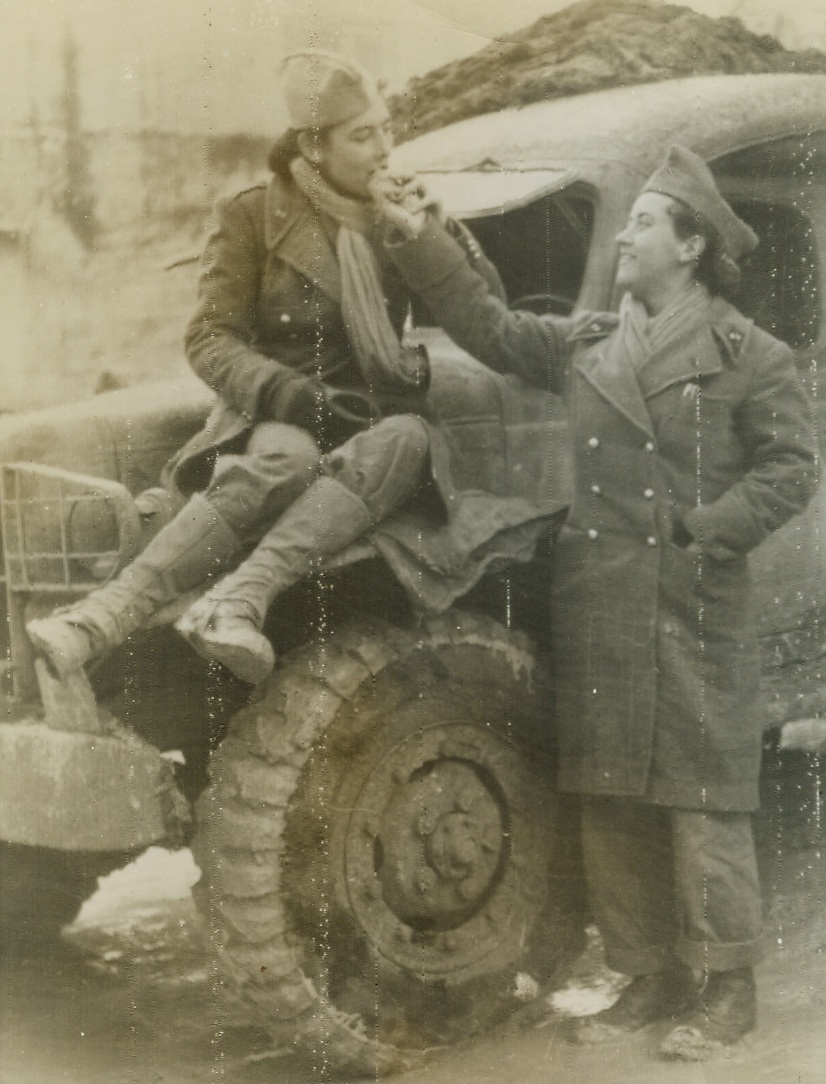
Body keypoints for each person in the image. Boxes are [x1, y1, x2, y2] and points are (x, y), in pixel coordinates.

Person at [370, 146, 819, 1060]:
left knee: (703, 801)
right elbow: (490, 328)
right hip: (604, 599)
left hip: (693, 600)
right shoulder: (591, 343)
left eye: (644, 221)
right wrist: (418, 234)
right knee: (610, 796)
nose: (625, 234)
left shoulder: (750, 355)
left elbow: (792, 468)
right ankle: (647, 972)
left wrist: (707, 527)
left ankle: (727, 987)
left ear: (691, 246)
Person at [27, 50, 555, 687]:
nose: (385, 149)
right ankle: (100, 617)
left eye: (386, 127)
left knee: (412, 439)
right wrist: (290, 394)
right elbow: (208, 338)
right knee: (287, 459)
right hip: (275, 412)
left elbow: (482, 319)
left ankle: (239, 599)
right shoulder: (250, 215)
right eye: (362, 136)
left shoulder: (397, 220)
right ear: (313, 146)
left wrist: (428, 232)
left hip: (370, 416)